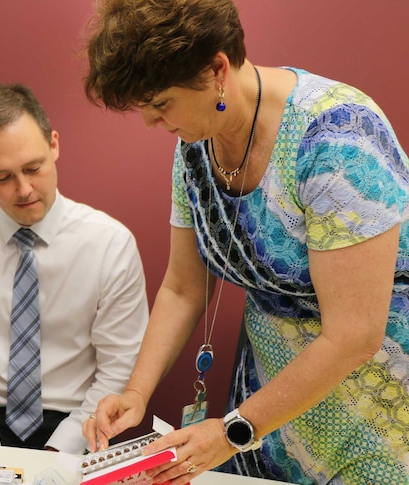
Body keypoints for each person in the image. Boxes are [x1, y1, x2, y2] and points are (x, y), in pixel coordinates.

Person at [80, 1, 409, 484]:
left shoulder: (338, 138)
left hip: (373, 412)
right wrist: (137, 391)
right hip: (266, 408)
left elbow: (354, 335)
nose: (152, 123)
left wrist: (235, 430)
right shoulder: (196, 144)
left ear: (216, 69)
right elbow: (183, 288)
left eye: (161, 104)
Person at [0, 83, 150, 478]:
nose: (24, 189)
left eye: (33, 168)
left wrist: (61, 448)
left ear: (54, 145)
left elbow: (120, 366)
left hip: (77, 424)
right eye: (2, 177)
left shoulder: (109, 244)